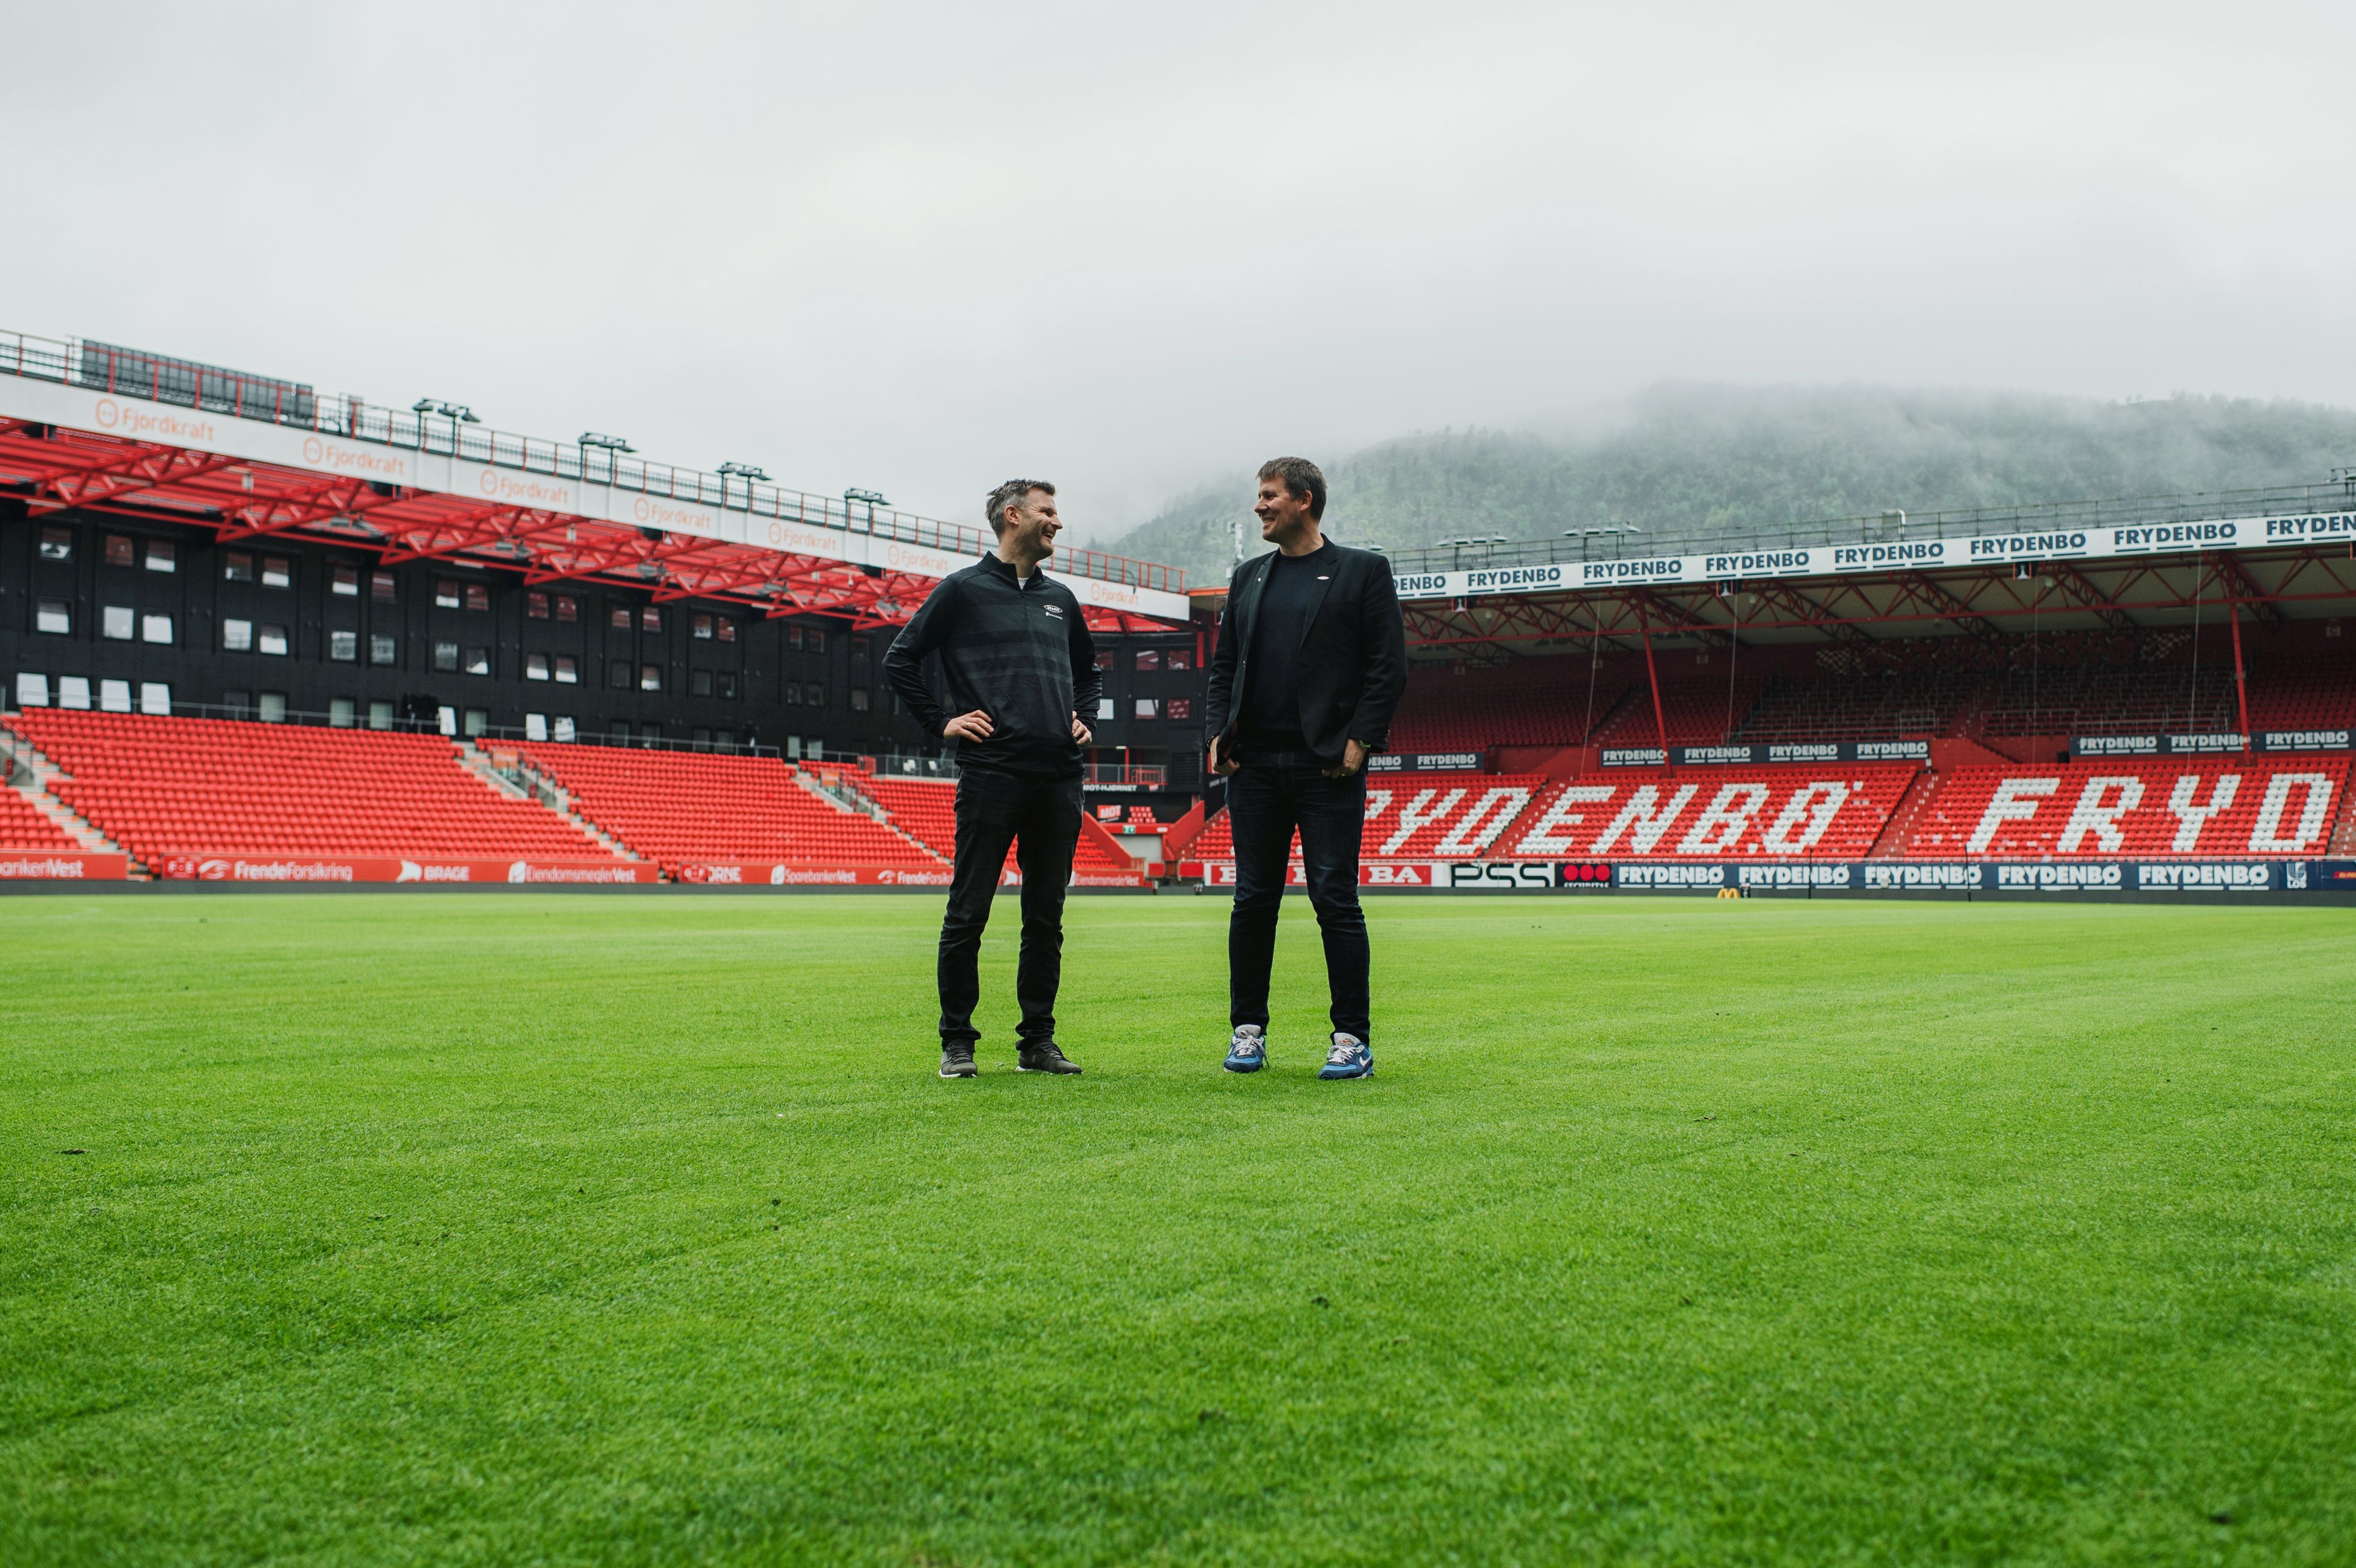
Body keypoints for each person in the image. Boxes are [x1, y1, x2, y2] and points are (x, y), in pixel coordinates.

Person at [883, 479, 1100, 1079]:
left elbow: (1089, 673)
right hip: (991, 773)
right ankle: (957, 1042)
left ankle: (1038, 1042)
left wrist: (1085, 718)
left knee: (1045, 919)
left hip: (1059, 776)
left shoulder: (1061, 599)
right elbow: (900, 658)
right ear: (1013, 516)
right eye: (1047, 511)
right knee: (968, 913)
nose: (1058, 521)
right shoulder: (962, 590)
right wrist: (942, 721)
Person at [1203, 457, 1406, 1080]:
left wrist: (1361, 740)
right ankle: (1247, 1032)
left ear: (1304, 500)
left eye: (1270, 495)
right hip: (1254, 767)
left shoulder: (1362, 571)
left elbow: (1387, 666)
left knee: (1334, 900)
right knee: (1252, 900)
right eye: (1260, 496)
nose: (1259, 506)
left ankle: (1351, 1039)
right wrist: (1216, 734)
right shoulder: (1249, 577)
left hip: (1327, 769)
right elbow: (1224, 668)